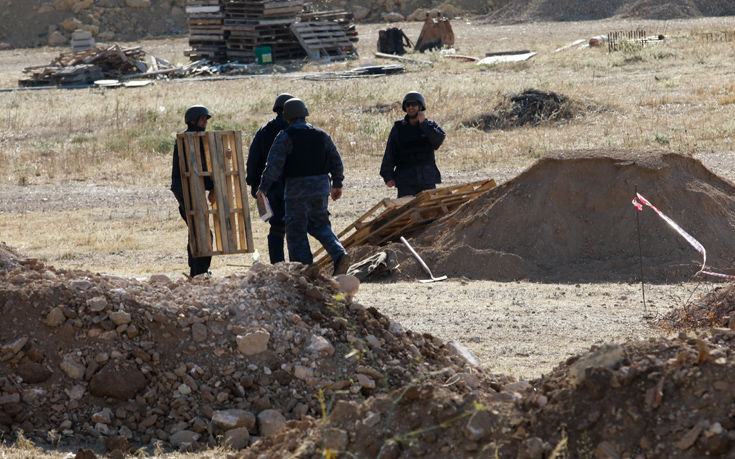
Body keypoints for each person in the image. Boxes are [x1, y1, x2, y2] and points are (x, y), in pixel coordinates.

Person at [256, 98, 351, 276]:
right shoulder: (321, 134)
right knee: (321, 224)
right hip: (321, 188)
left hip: (297, 190)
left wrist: (263, 188)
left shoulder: (285, 136)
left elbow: (273, 166)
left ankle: (305, 273)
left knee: (296, 231)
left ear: (287, 117)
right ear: (304, 114)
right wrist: (337, 183)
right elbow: (335, 160)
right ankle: (339, 253)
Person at [246, 93, 294, 264]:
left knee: (277, 228)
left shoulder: (264, 130)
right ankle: (298, 265)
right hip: (293, 185)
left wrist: (253, 184)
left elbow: (253, 160)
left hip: (269, 186)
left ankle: (277, 265)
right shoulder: (296, 129)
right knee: (296, 226)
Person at [170, 105, 216, 277]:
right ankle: (200, 271)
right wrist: (212, 186)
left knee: (196, 230)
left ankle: (197, 271)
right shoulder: (190, 140)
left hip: (187, 187)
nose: (205, 122)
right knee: (202, 232)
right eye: (202, 119)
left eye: (206, 119)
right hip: (186, 187)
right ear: (193, 120)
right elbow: (200, 166)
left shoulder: (192, 138)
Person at [379, 91, 446, 198]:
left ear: (420, 106)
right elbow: (390, 152)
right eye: (408, 105)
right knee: (407, 211)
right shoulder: (398, 128)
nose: (411, 107)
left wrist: (423, 125)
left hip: (426, 178)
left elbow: (438, 141)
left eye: (414, 104)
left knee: (430, 210)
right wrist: (387, 176)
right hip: (406, 180)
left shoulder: (430, 126)